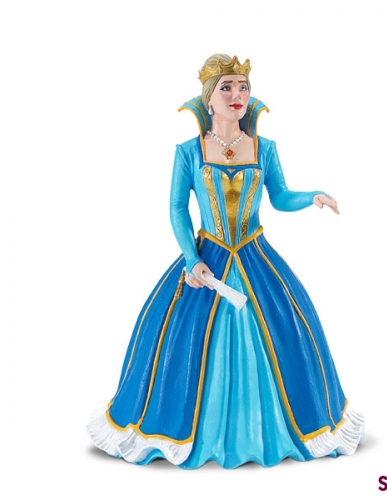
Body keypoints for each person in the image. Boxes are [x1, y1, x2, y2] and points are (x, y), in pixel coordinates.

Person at [87, 54, 365, 469]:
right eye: (227, 87)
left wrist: (312, 197)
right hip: (207, 259)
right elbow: (177, 209)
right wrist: (192, 258)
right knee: (179, 345)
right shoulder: (189, 151)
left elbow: (280, 197)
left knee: (288, 333)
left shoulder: (265, 148)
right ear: (209, 98)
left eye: (243, 86)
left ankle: (274, 427)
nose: (238, 95)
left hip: (256, 256)